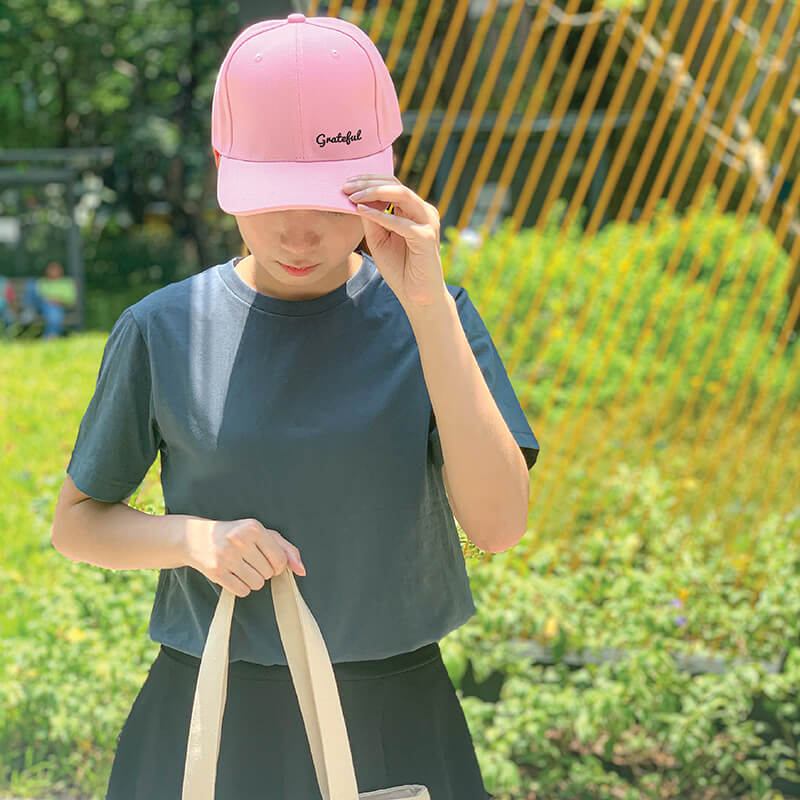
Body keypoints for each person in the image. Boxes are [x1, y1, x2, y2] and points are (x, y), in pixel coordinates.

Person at [54, 13, 540, 800]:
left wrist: (424, 306)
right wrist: (195, 539)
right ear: (223, 167)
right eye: (272, 195)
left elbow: (499, 526)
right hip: (210, 714)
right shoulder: (164, 328)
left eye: (331, 196)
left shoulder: (435, 315)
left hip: (394, 719)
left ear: (384, 175)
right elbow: (77, 523)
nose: (301, 232)